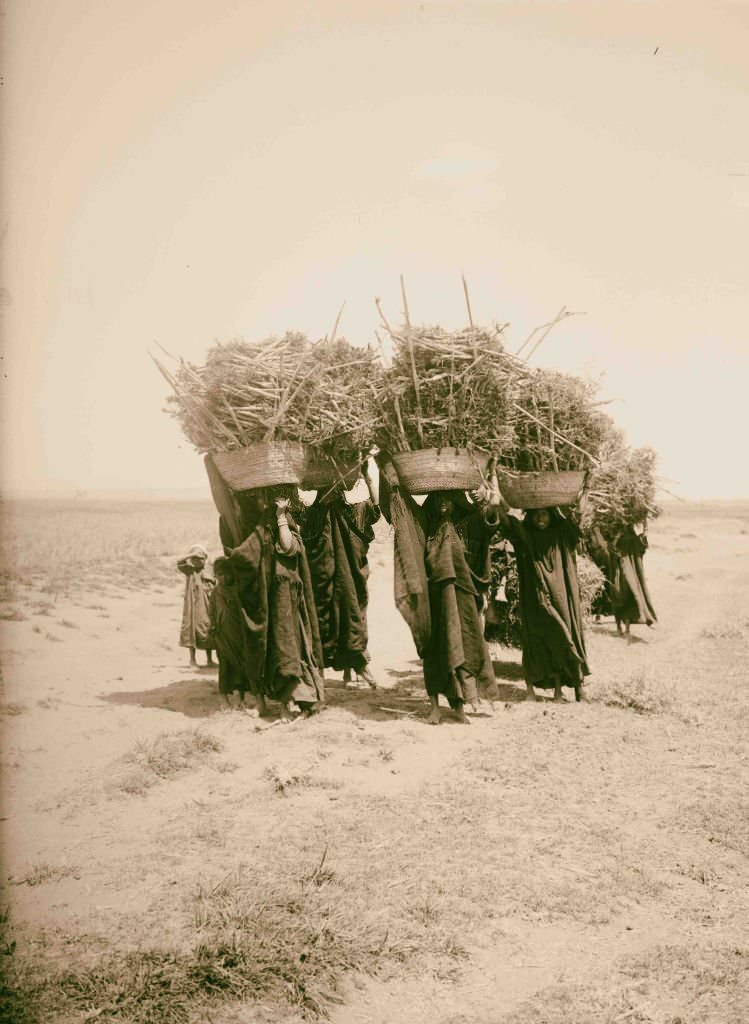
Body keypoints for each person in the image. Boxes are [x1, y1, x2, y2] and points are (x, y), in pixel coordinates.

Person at [379, 459, 500, 725]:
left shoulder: (468, 522)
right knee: (436, 650)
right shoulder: (425, 524)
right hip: (434, 596)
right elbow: (399, 511)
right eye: (438, 498)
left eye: (450, 497)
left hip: (462, 597)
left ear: (458, 499)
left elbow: (491, 520)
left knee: (465, 645)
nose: (443, 503)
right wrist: (389, 478)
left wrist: (485, 495)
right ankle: (434, 705)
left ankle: (460, 706)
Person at [228, 486, 325, 719]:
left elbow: (289, 548)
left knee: (287, 649)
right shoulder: (262, 525)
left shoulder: (286, 521)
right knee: (271, 647)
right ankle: (270, 703)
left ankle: (287, 704)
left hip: (286, 602)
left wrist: (282, 518)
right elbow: (247, 554)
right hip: (269, 601)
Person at [494, 481, 591, 702]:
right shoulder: (525, 536)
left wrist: (585, 491)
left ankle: (570, 688)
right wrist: (495, 491)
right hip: (534, 596)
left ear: (552, 515)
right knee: (535, 639)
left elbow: (577, 517)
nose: (540, 519)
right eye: (535, 515)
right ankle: (532, 690)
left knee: (566, 634)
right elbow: (507, 519)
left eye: (545, 514)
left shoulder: (561, 535)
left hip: (562, 596)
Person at [301, 459, 381, 688]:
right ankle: (319, 669)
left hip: (348, 582)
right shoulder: (313, 516)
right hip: (322, 584)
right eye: (329, 489)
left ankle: (355, 665)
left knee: (350, 613)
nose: (334, 493)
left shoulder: (352, 513)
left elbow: (375, 510)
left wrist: (368, 477)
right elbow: (295, 509)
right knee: (323, 617)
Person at [208, 557, 249, 709]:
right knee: (224, 666)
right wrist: (213, 628)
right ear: (215, 576)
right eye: (220, 574)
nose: (224, 578)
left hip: (238, 635)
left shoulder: (238, 591)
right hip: (222, 636)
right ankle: (224, 698)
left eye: (227, 574)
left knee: (240, 665)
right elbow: (211, 612)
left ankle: (240, 698)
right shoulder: (215, 593)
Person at [611, 521, 657, 638]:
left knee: (632, 595)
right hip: (618, 571)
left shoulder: (632, 537)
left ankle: (627, 629)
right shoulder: (613, 532)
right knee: (618, 594)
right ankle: (618, 627)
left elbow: (641, 547)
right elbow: (611, 549)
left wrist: (645, 531)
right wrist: (617, 537)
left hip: (631, 572)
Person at [177, 544, 215, 667]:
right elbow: (179, 561)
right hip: (194, 607)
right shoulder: (190, 570)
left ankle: (209, 660)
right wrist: (192, 554)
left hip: (208, 606)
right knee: (192, 630)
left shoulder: (210, 570)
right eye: (195, 559)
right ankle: (192, 660)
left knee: (209, 629)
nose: (198, 561)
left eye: (201, 558)